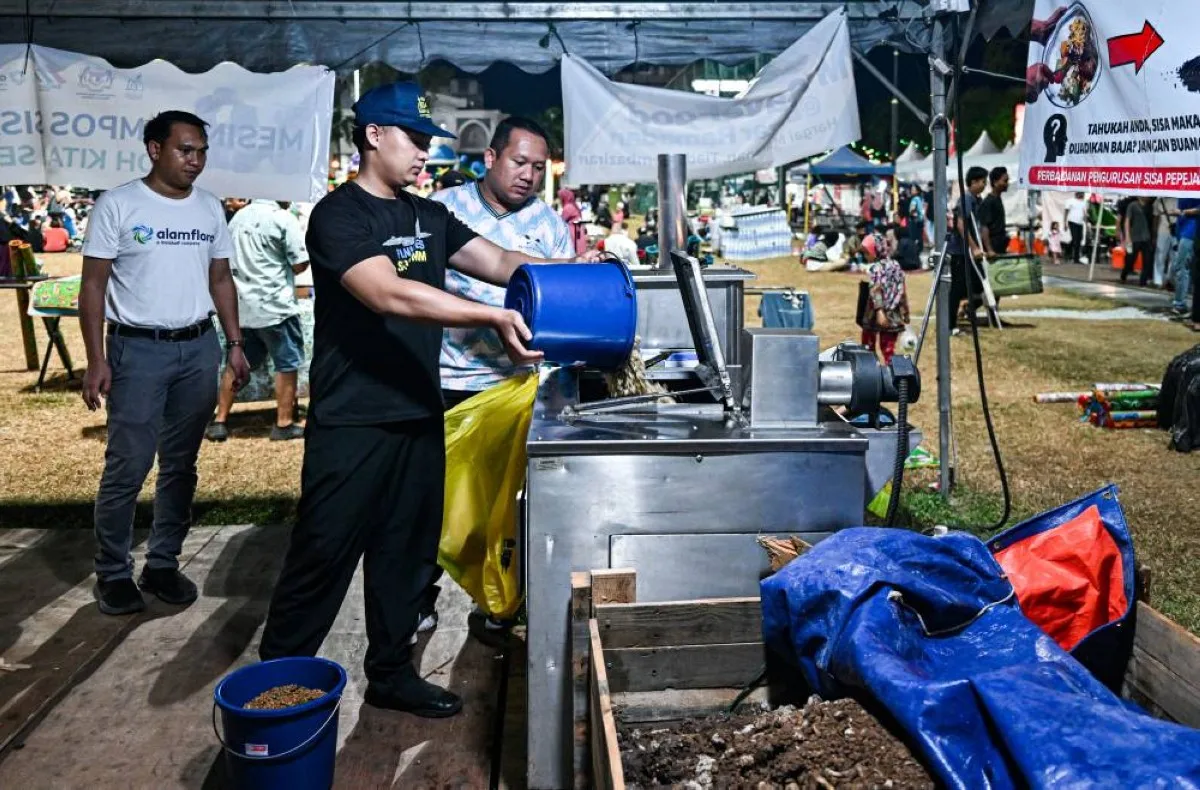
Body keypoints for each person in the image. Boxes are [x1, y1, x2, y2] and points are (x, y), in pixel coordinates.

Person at [257, 82, 576, 718]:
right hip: (353, 422)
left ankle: (391, 672)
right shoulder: (338, 216)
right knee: (323, 554)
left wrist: (584, 283)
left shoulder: (427, 216)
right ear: (373, 135)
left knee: (405, 556)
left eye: (429, 142)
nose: (424, 154)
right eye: (414, 139)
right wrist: (489, 319)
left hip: (418, 414)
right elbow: (388, 293)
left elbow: (501, 258)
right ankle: (275, 689)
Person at [425, 116, 590, 641]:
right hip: (449, 379)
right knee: (435, 500)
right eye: (519, 162)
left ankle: (498, 604)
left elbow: (563, 297)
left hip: (515, 388)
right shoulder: (445, 210)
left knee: (509, 506)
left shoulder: (548, 224)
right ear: (491, 158)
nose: (528, 175)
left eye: (539, 168)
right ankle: (416, 599)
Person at [79, 110, 250, 616]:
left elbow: (221, 280)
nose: (195, 161)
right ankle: (112, 572)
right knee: (128, 466)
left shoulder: (209, 209)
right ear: (155, 149)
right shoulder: (119, 204)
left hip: (198, 349)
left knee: (181, 466)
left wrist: (235, 344)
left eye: (201, 151)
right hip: (138, 351)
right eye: (185, 150)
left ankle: (162, 563)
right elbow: (93, 285)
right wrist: (96, 359)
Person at [206, 199, 310, 442]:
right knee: (287, 363)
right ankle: (283, 423)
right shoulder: (282, 218)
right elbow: (299, 264)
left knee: (236, 363)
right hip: (275, 306)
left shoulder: (238, 218)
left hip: (242, 307)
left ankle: (220, 420)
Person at [858, 233, 909, 363]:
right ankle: (891, 372)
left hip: (876, 312)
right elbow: (902, 289)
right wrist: (905, 310)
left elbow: (876, 290)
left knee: (869, 344)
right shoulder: (896, 265)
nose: (865, 256)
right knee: (888, 348)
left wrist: (880, 311)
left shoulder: (876, 268)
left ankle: (872, 370)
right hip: (894, 312)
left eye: (867, 252)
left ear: (876, 250)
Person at [948, 166, 988, 327]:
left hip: (969, 251)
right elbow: (960, 224)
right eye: (982, 182)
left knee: (979, 283)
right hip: (960, 251)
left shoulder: (977, 199)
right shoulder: (966, 199)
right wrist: (973, 247)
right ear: (973, 182)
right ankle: (950, 324)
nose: (985, 185)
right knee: (957, 289)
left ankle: (967, 307)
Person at [1169, 198, 1200, 316]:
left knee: (1182, 268)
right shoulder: (1183, 186)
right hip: (1182, 230)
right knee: (1185, 269)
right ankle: (1183, 303)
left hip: (1191, 232)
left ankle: (1180, 303)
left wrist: (1183, 212)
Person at [977, 167, 1009, 257]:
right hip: (993, 246)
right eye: (1005, 181)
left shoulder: (997, 199)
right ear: (995, 182)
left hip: (1000, 244)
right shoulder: (988, 202)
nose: (1007, 184)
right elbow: (984, 227)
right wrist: (990, 250)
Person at [1122, 196, 1154, 287]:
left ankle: (1142, 282)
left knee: (1147, 261)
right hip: (1135, 237)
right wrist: (1127, 236)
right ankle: (1124, 274)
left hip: (1146, 237)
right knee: (1130, 259)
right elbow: (1127, 221)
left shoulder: (1150, 207)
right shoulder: (1132, 205)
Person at [558, 188, 587, 256]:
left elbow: (561, 221)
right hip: (577, 230)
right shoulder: (574, 205)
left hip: (572, 231)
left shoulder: (568, 207)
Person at [1063, 192, 1087, 263]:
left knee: (1079, 239)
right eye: (1081, 193)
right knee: (1076, 239)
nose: (1083, 195)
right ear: (1077, 194)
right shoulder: (1070, 201)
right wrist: (1065, 222)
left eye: (1083, 193)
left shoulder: (1084, 202)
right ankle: (1076, 259)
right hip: (1072, 221)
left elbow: (1084, 213)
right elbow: (1066, 212)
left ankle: (1068, 250)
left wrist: (1086, 222)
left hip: (1080, 222)